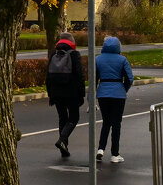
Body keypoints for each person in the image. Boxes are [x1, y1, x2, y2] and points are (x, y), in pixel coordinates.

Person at [94, 35, 134, 163]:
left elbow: (93, 78)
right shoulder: (122, 60)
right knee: (116, 124)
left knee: (106, 122)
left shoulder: (98, 59)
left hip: (103, 93)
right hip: (118, 93)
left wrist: (96, 92)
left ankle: (100, 148)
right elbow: (129, 78)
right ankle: (115, 154)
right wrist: (124, 88)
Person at [45, 31, 85, 158]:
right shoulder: (74, 55)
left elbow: (48, 77)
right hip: (71, 93)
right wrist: (81, 94)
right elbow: (80, 76)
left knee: (62, 118)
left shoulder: (53, 55)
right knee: (74, 118)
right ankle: (62, 140)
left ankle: (64, 148)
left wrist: (50, 93)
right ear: (72, 42)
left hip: (56, 93)